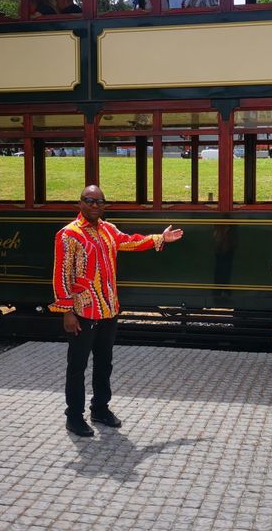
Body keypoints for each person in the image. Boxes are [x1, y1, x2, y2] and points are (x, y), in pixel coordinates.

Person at [50, 186, 184, 437]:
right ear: (80, 203)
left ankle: (100, 409)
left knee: (104, 363)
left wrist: (160, 238)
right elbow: (62, 275)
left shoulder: (109, 230)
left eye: (99, 201)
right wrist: (66, 311)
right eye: (89, 200)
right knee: (77, 366)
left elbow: (131, 242)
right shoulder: (69, 234)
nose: (95, 205)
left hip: (109, 310)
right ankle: (74, 416)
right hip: (82, 312)